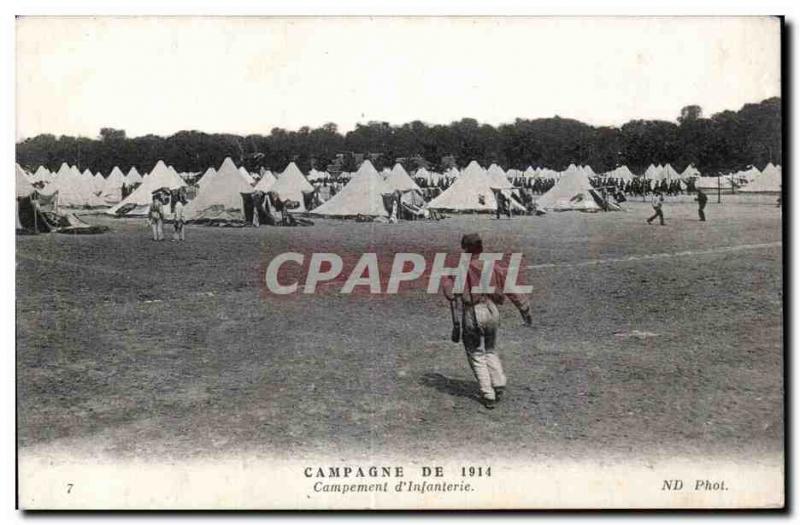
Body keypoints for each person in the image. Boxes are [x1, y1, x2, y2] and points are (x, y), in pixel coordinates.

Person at [442, 233, 532, 409]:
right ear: (481, 248)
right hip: (492, 310)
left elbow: (452, 295)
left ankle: (487, 392)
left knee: (475, 353)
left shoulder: (461, 269)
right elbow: (512, 290)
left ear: (465, 249)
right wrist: (524, 310)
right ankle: (498, 383)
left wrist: (446, 280)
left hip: (473, 313)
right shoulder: (493, 266)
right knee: (490, 348)